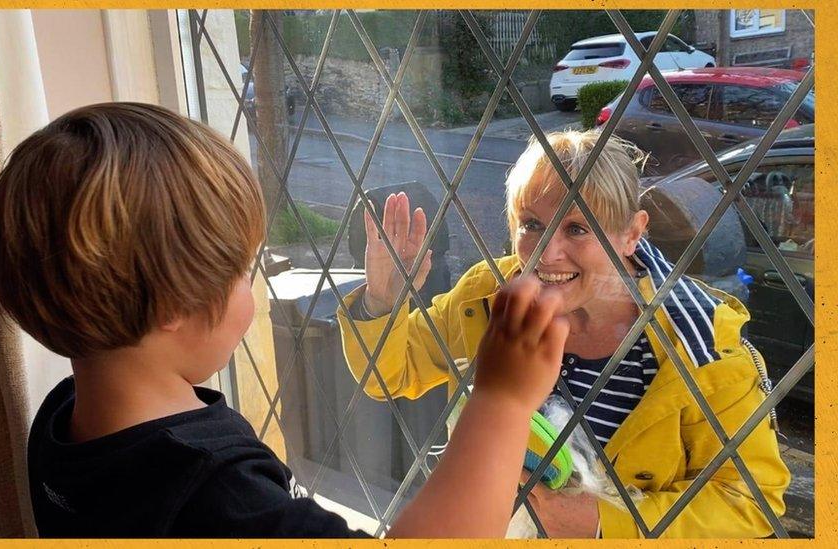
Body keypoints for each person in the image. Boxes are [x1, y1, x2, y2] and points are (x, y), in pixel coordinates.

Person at [0, 102, 571, 538]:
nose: (255, 285)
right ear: (172, 308)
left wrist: (382, 298)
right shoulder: (216, 494)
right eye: (243, 270)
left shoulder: (64, 422)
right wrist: (502, 402)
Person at [337, 130, 791, 538]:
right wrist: (384, 301)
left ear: (631, 234)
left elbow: (751, 500)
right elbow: (389, 375)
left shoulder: (703, 345)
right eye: (532, 224)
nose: (548, 253)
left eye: (577, 228)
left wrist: (603, 525)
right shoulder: (492, 296)